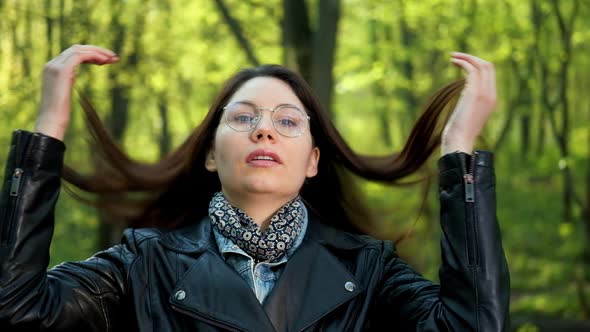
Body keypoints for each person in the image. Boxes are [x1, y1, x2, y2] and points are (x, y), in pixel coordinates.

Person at [0, 45, 509, 331]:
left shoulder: (369, 270)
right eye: (243, 118)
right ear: (210, 153)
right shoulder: (143, 265)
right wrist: (46, 131)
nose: (264, 130)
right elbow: (17, 309)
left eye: (288, 121)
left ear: (312, 161)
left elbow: (473, 326)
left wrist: (459, 150)